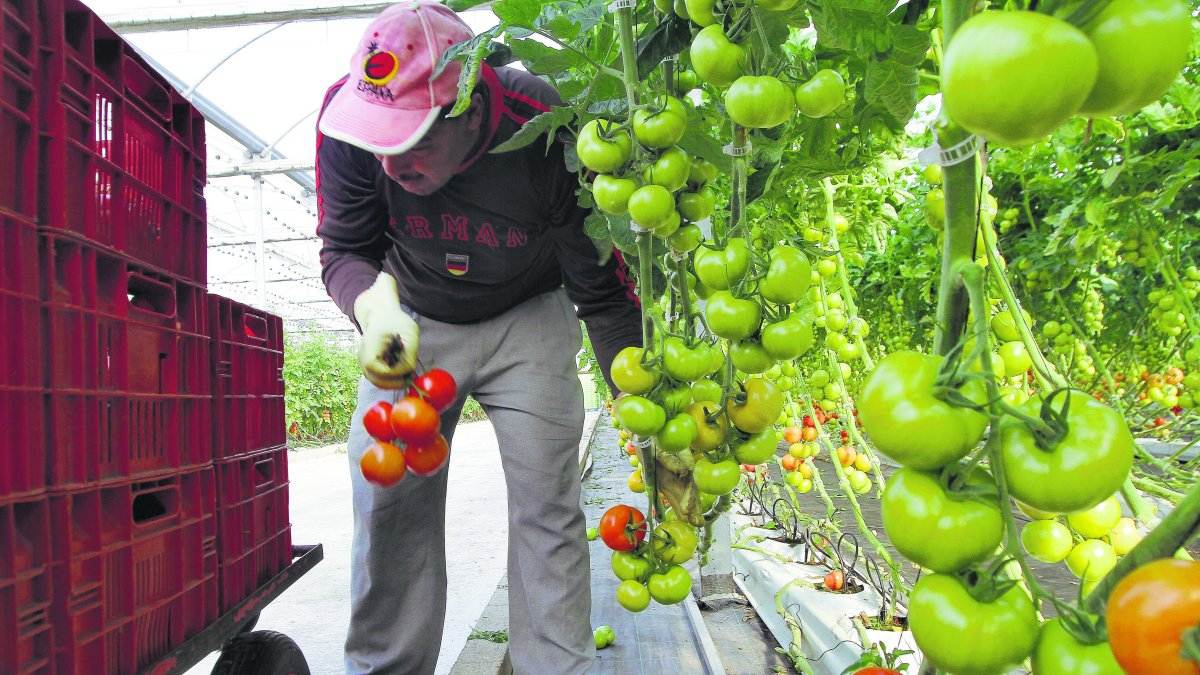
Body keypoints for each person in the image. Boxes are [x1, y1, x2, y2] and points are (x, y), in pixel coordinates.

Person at [314, 2, 643, 673]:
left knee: (547, 503)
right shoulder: (348, 124)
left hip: (528, 314)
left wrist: (639, 403)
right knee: (386, 502)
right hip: (412, 315)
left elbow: (603, 290)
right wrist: (375, 309)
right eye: (382, 141)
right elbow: (345, 248)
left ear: (467, 108)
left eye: (415, 139)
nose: (392, 162)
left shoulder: (545, 124)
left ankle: (556, 665)